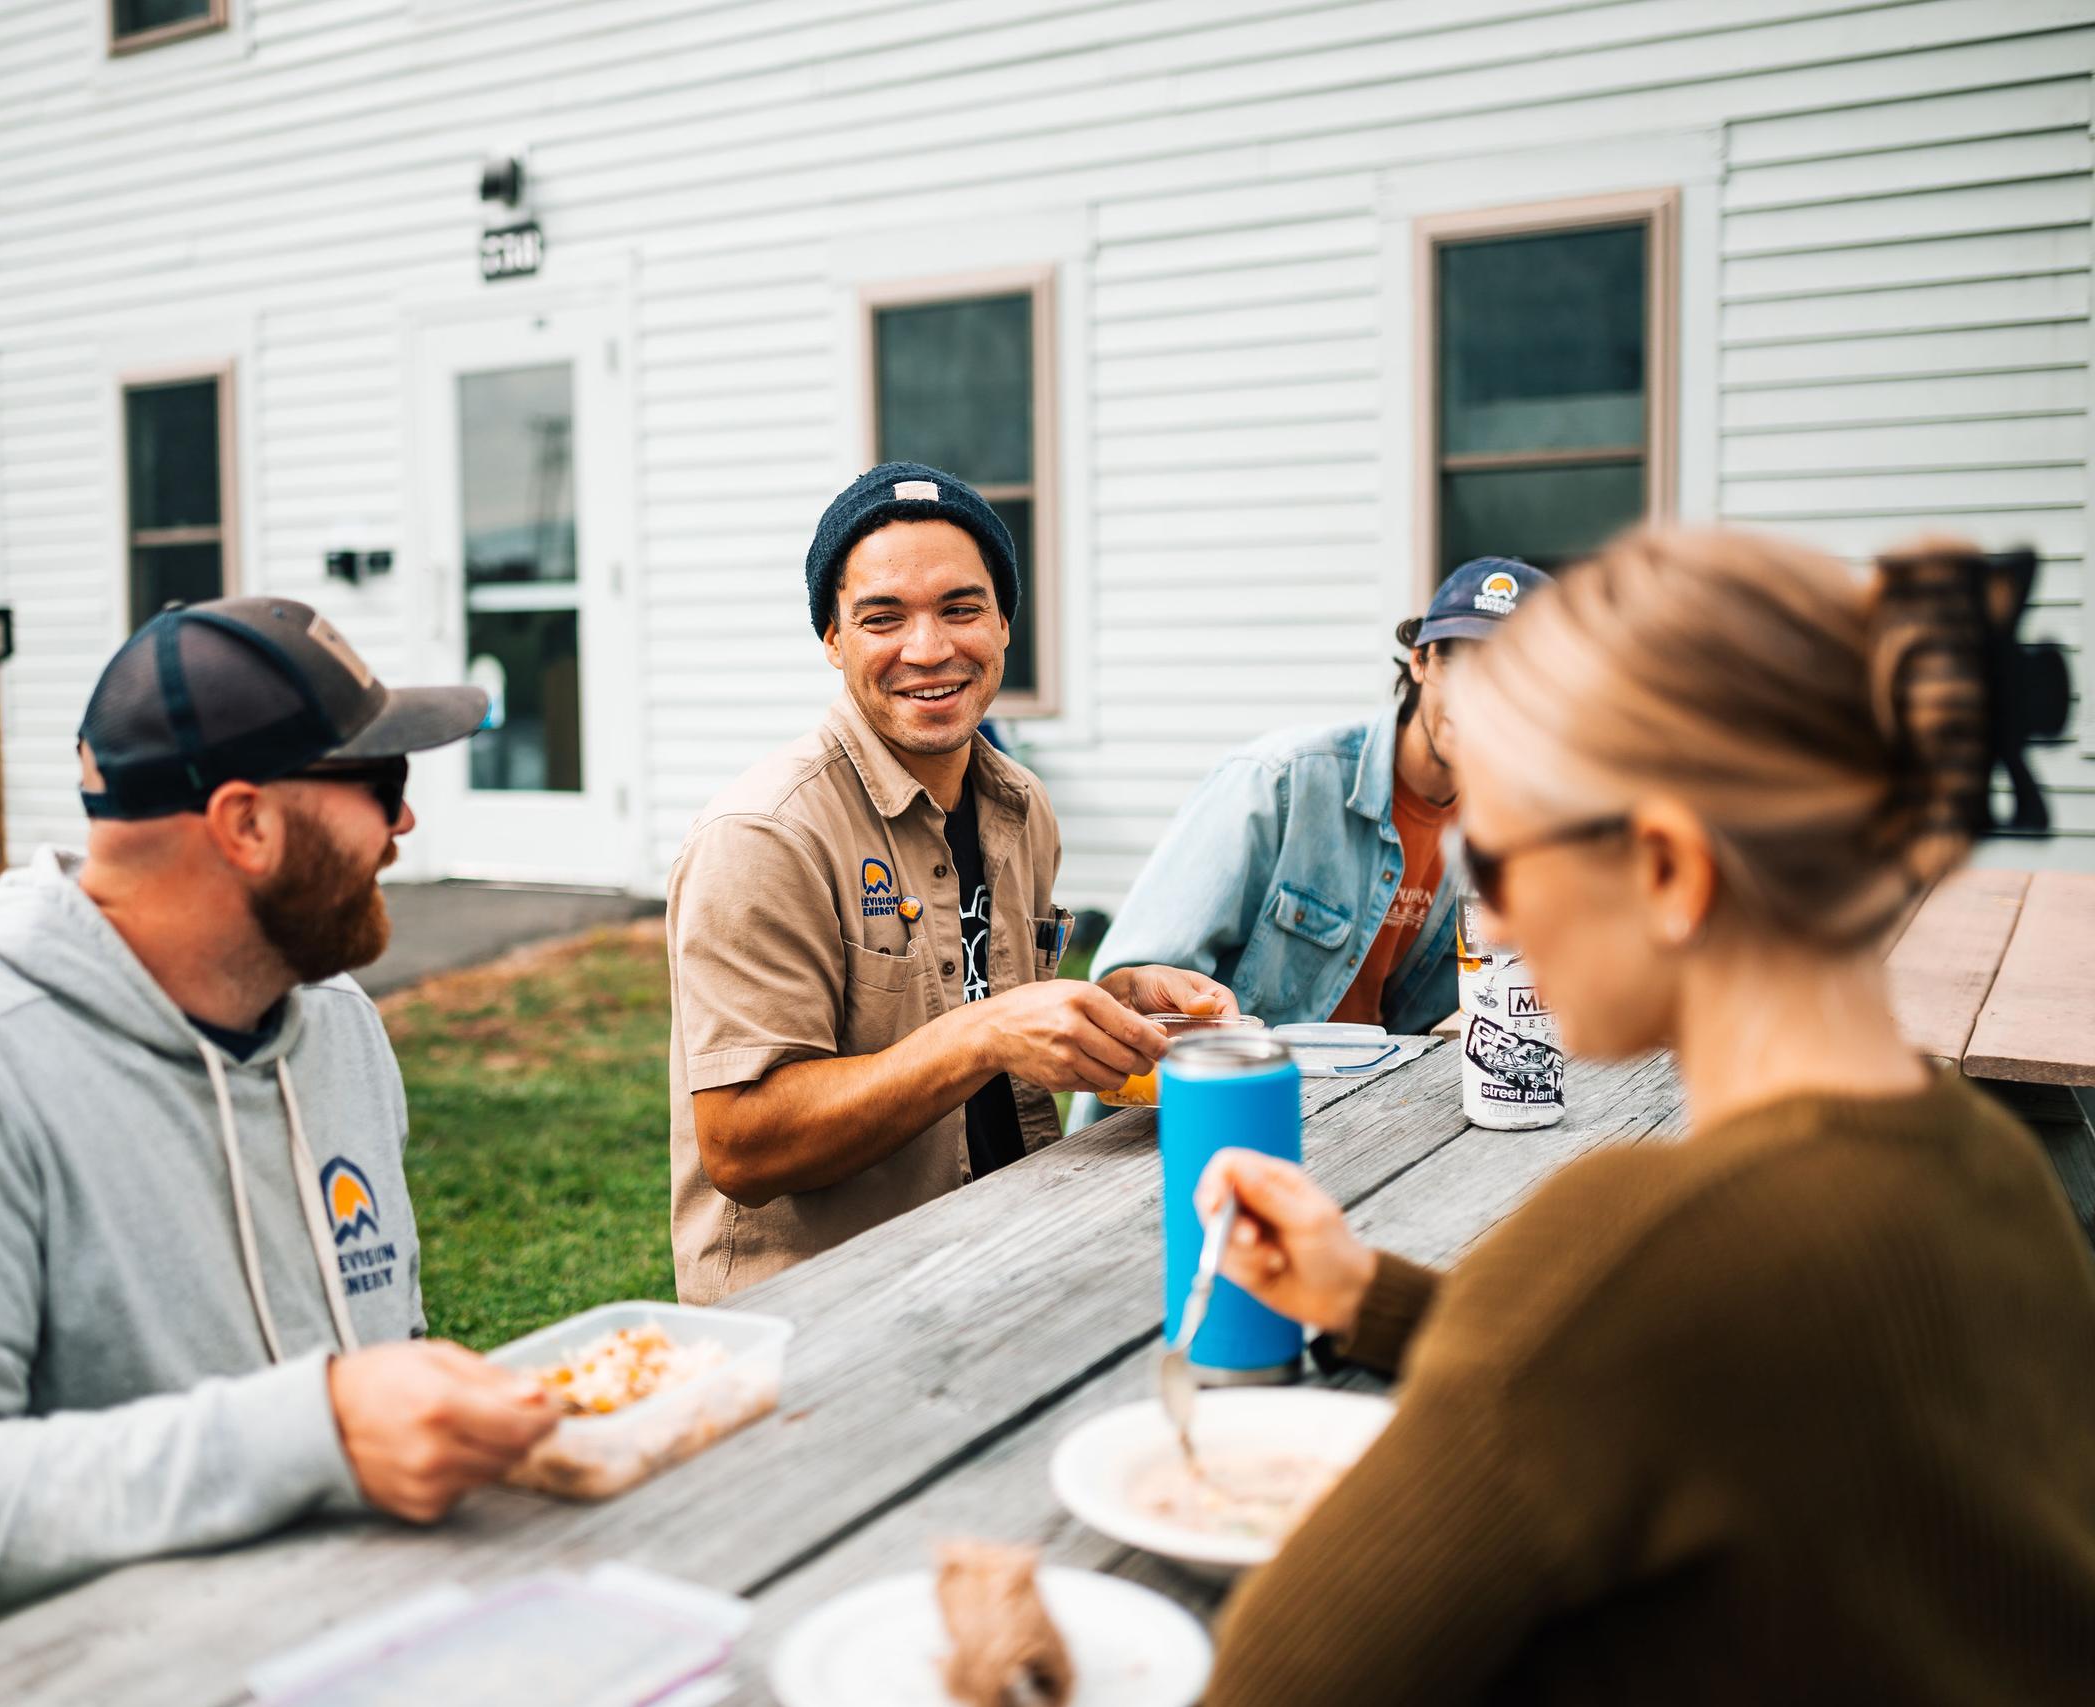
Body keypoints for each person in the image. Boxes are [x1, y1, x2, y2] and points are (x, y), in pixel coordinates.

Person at [1189, 527, 2095, 1703]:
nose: (1488, 910)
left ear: (1665, 870)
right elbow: (1685, 1367)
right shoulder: (1995, 1161)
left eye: (1501, 853)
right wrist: (1371, 1298)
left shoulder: (1627, 1247)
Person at [0, 599, 560, 1702]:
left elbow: (371, 1351)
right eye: (383, 788)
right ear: (246, 825)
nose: (402, 829)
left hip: (317, 1644)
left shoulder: (338, 1032)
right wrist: (311, 1430)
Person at [665, 462, 1232, 1303]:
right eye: (882, 617)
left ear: (1005, 622)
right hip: (826, 1313)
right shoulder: (762, 834)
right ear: (832, 638)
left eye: (961, 608)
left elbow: (980, 1010)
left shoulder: (1021, 807)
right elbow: (743, 1147)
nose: (928, 649)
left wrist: (1106, 1004)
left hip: (1014, 1254)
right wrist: (987, 1032)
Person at [1075, 558, 1552, 1101]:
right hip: (1219, 1112)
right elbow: (1125, 990)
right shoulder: (1279, 782)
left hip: (1374, 1112)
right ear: (1421, 661)